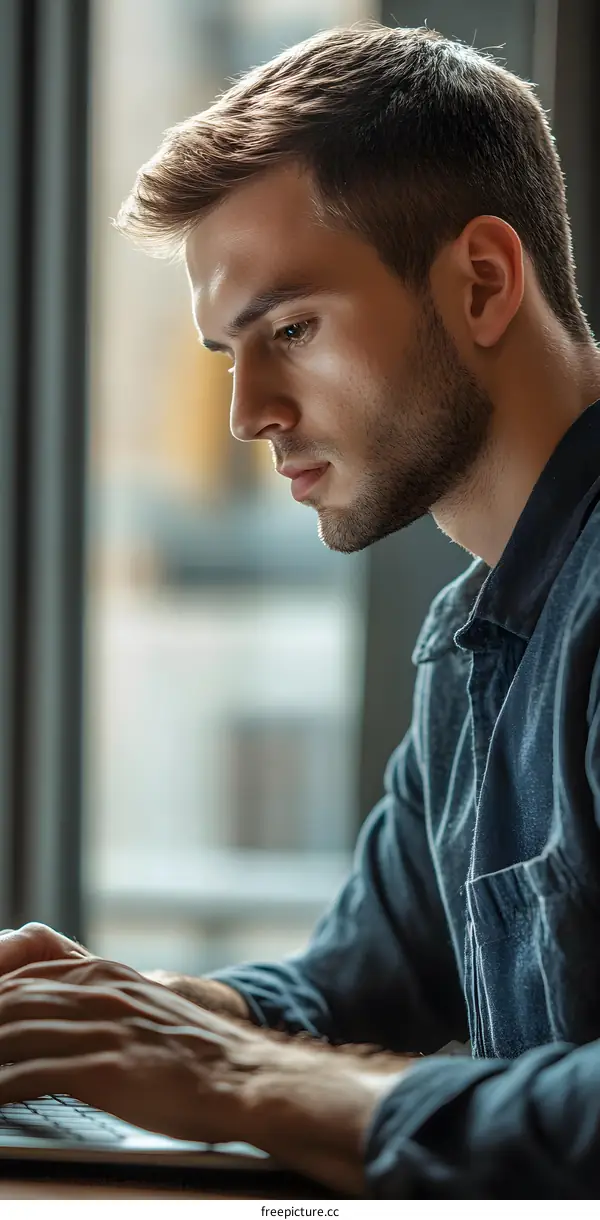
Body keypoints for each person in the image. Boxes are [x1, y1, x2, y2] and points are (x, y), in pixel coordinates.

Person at [1, 19, 600, 1198]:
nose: (249, 411)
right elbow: (354, 982)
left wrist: (242, 1076)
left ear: (483, 282)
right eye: (232, 349)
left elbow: (288, 1063)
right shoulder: (478, 643)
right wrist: (128, 1014)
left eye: (291, 328)